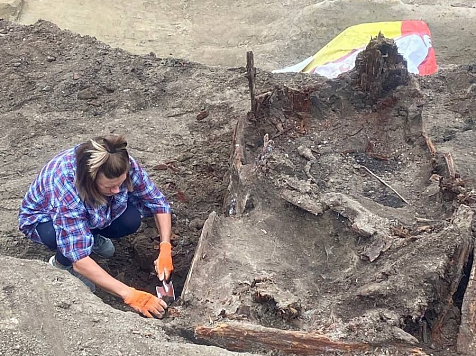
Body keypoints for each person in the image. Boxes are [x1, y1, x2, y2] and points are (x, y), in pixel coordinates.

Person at [18, 134, 173, 318]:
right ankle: (61, 265)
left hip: (94, 212)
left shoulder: (120, 163)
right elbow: (79, 257)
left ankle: (90, 236)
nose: (117, 190)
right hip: (45, 220)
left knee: (131, 220)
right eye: (109, 187)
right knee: (62, 242)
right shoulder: (66, 184)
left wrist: (165, 246)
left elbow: (158, 203)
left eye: (120, 184)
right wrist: (130, 295)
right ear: (91, 179)